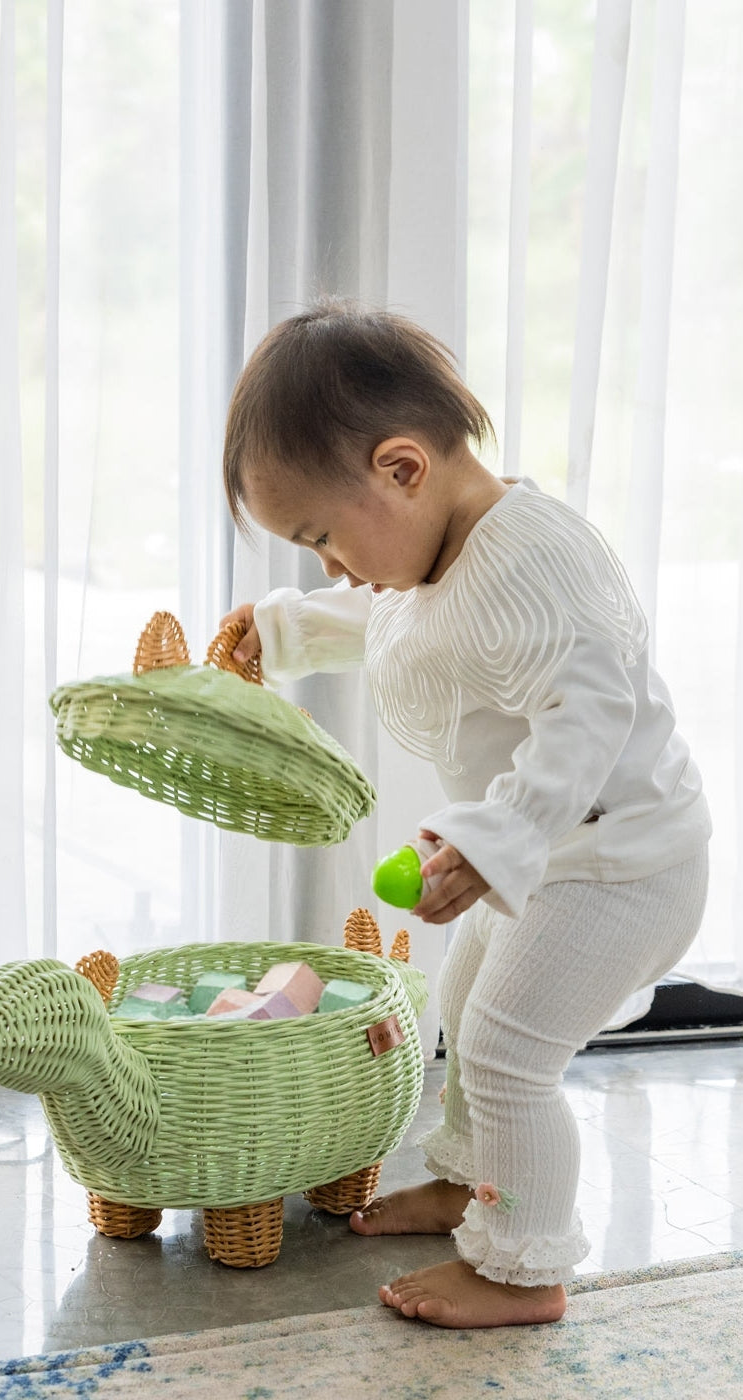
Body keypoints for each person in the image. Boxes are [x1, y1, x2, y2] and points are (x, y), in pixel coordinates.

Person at [221, 298, 710, 1329]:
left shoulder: (532, 562)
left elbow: (589, 715)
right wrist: (286, 629)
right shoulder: (436, 549)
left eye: (320, 536)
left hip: (623, 862)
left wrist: (496, 843)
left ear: (402, 468)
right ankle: (470, 1186)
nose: (330, 566)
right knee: (464, 996)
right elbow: (401, 617)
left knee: (508, 1050)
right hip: (552, 850)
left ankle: (522, 1267)